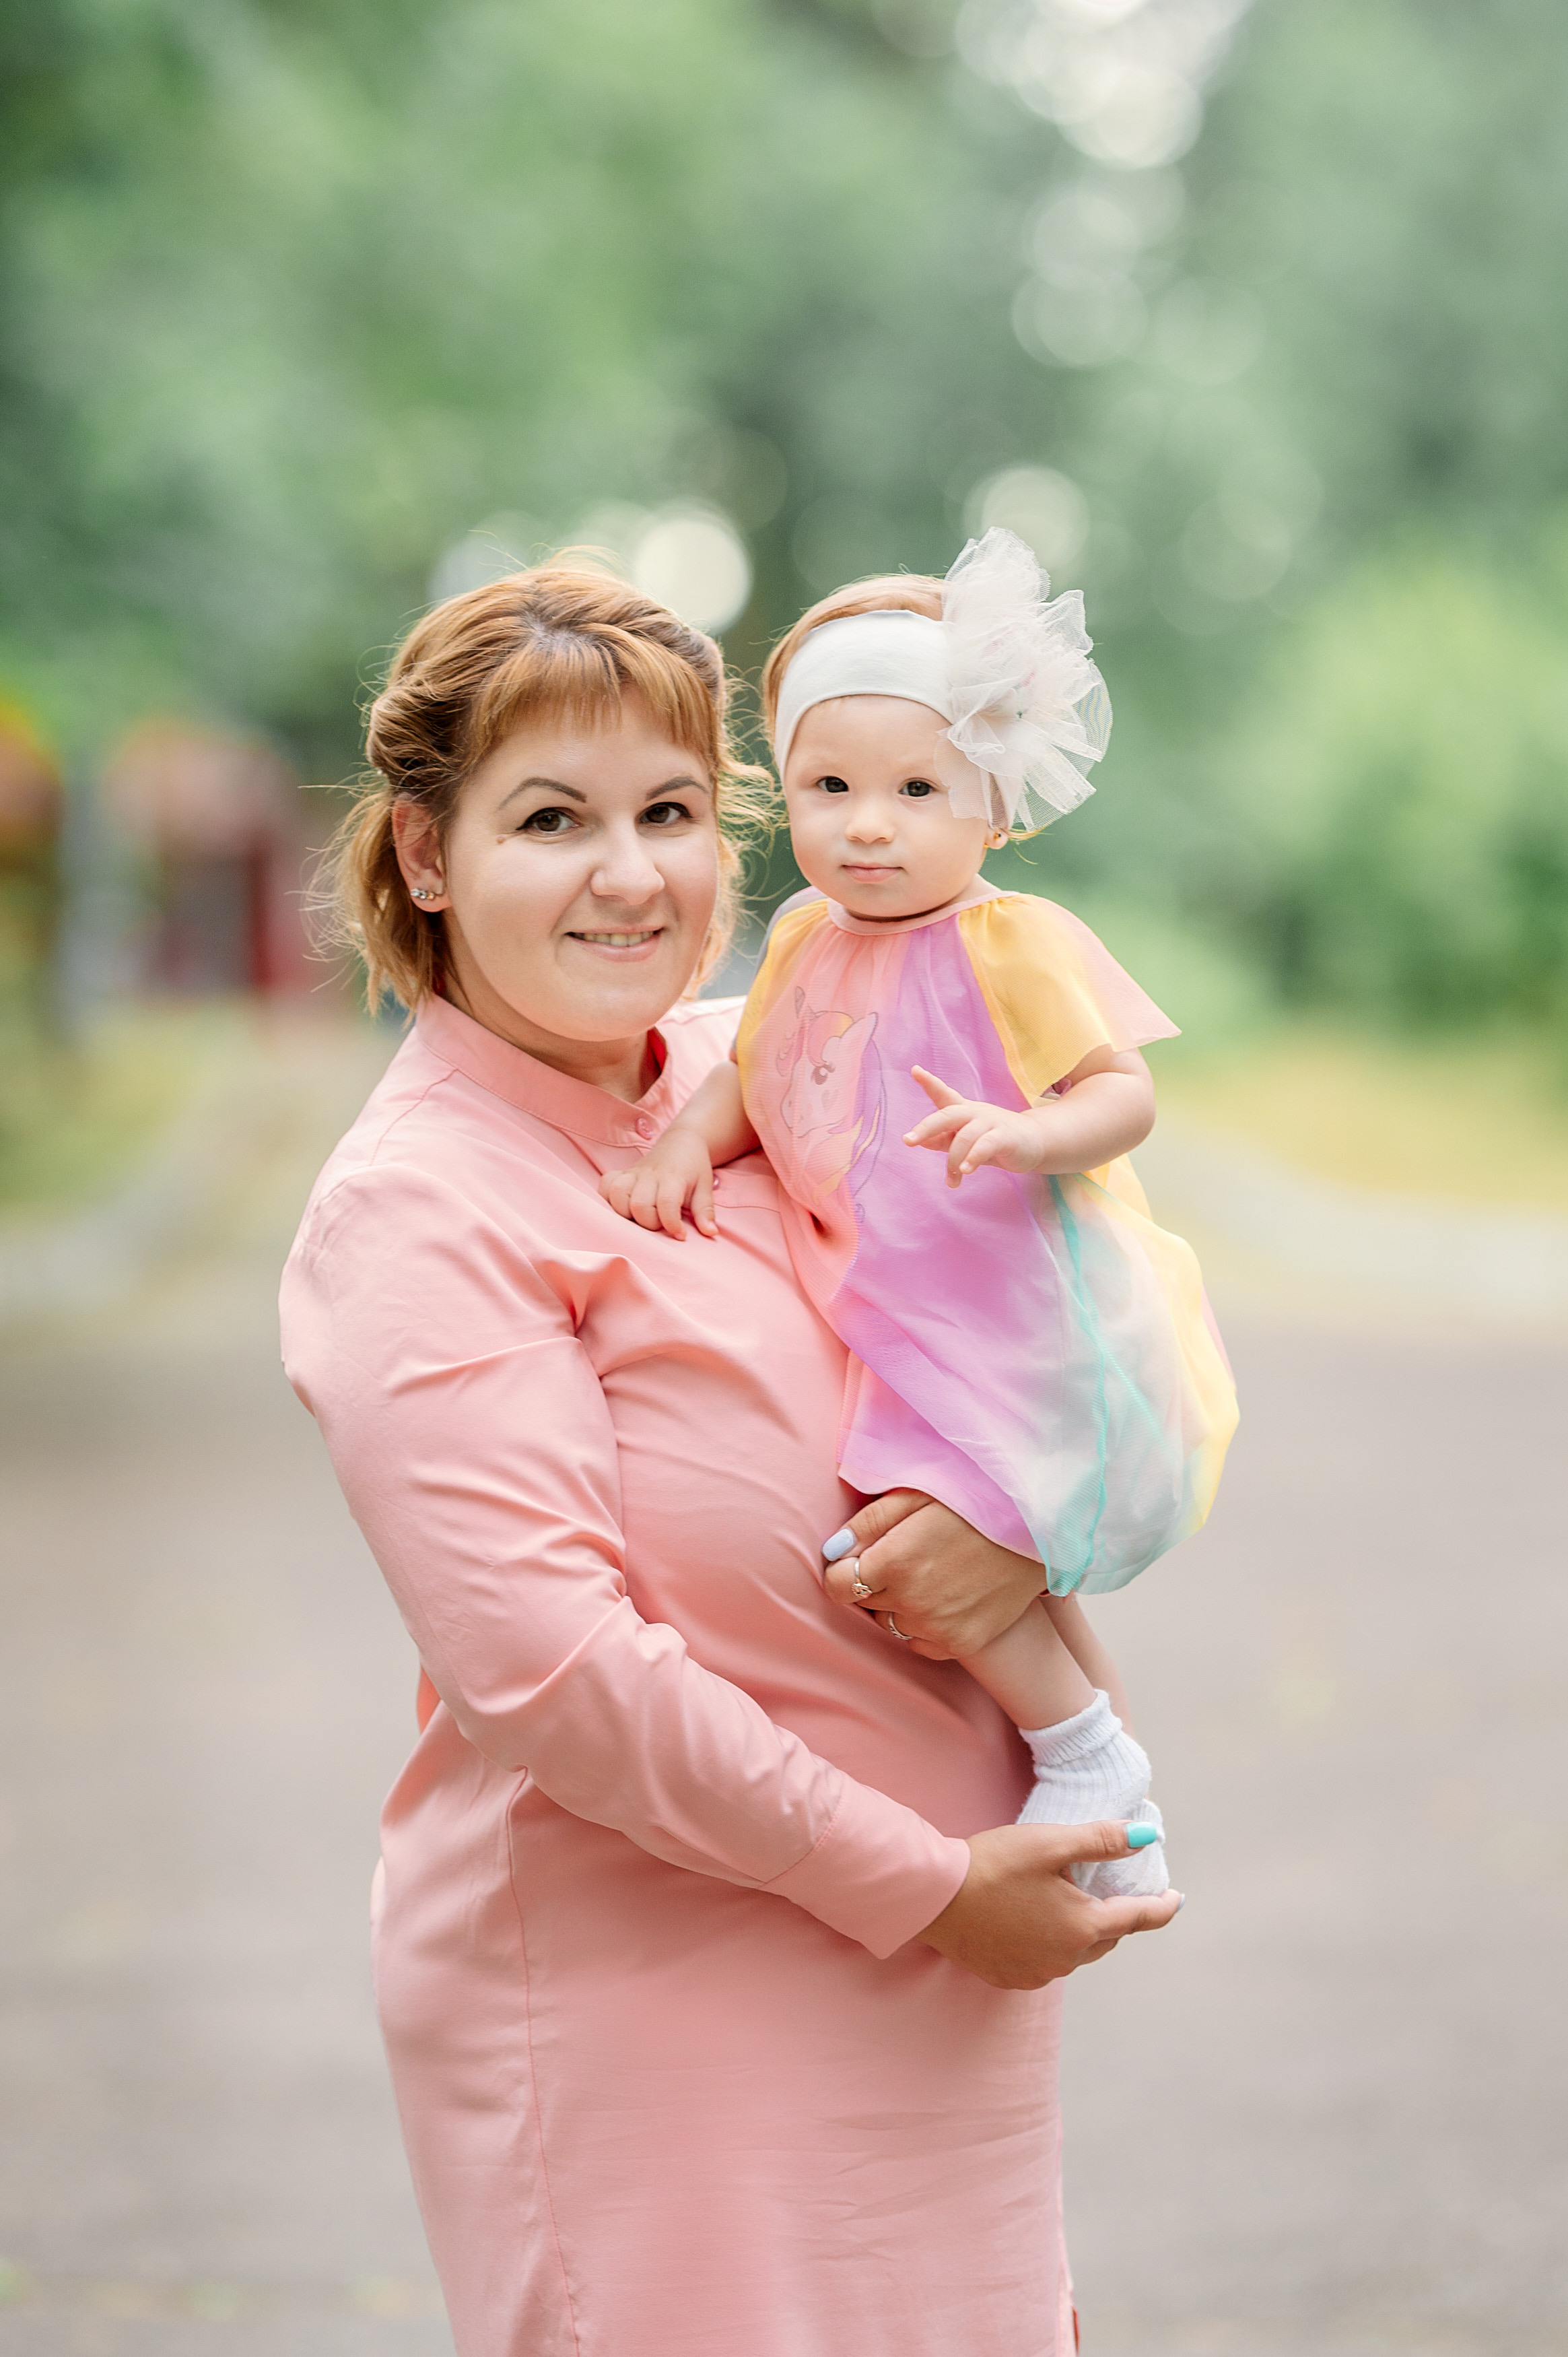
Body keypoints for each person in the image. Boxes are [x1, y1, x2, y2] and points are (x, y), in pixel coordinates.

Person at [280, 564, 1180, 2357]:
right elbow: (556, 1675)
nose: (632, 873)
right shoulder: (418, 1208)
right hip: (673, 2006)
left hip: (944, 1987)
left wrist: (1019, 1550)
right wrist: (925, 1885)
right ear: (430, 854)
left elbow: (1037, 1327)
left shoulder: (763, 1066)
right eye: (554, 817)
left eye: (672, 811)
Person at [602, 531, 1238, 1892]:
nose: (867, 821)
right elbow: (760, 1076)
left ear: (991, 808)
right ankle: (1103, 1784)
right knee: (947, 1551)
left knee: (930, 1548)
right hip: (885, 1308)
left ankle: (1085, 1757)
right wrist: (687, 1150)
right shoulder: (800, 943)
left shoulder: (1010, 942)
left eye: (913, 787)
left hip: (1008, 1310)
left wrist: (1031, 1131)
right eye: (828, 786)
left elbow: (1120, 1092)